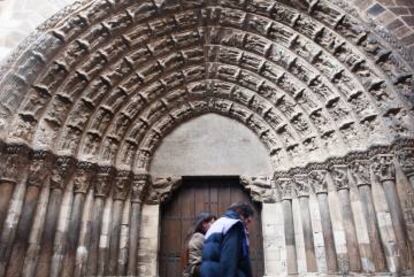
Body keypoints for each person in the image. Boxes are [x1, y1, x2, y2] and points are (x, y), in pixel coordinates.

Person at [200, 202, 254, 277]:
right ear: (241, 215)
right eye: (248, 221)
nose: (247, 225)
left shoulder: (217, 223)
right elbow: (229, 259)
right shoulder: (234, 225)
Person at [182, 212, 217, 277]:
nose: (214, 226)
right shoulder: (198, 237)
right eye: (212, 223)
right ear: (204, 224)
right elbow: (196, 263)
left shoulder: (194, 236)